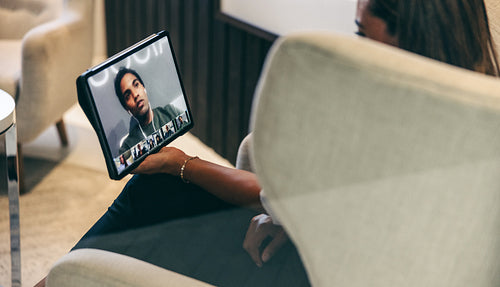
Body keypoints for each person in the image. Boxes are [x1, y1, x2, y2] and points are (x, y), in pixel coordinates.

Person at [35, 0, 499, 286]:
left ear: (415, 40)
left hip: (295, 271)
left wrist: (288, 218)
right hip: (308, 250)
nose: (356, 49)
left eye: (363, 34)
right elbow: (304, 202)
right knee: (159, 186)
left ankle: (61, 280)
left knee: (144, 202)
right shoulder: (470, 116)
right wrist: (294, 220)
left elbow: (281, 199)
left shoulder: (385, 130)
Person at [115, 67, 182, 154]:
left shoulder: (170, 112)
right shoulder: (127, 147)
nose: (135, 95)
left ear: (144, 88)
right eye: (128, 96)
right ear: (126, 108)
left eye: (136, 85)